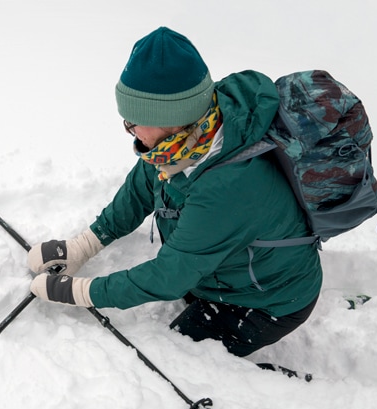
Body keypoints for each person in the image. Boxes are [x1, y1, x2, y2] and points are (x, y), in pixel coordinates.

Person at [28, 26, 321, 358]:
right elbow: (142, 187)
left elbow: (169, 276)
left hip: (267, 300)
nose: (130, 130)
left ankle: (275, 387)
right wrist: (86, 243)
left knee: (181, 356)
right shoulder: (189, 138)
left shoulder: (228, 185)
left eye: (133, 121)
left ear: (169, 118)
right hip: (217, 269)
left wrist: (83, 292)